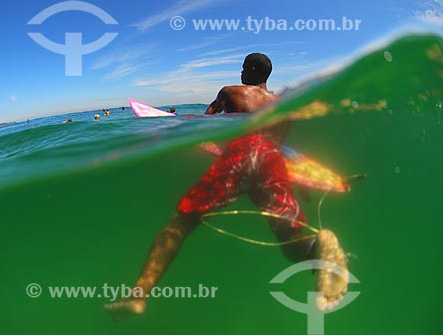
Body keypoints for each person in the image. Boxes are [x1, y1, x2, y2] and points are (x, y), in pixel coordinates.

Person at [106, 53, 348, 320]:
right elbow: (278, 148)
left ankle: (138, 295)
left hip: (241, 155)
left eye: (244, 67)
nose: (241, 72)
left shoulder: (230, 92)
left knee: (181, 223)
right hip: (273, 161)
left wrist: (168, 132)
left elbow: (203, 124)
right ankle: (319, 247)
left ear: (254, 69)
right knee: (291, 242)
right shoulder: (283, 106)